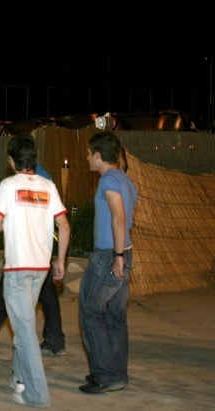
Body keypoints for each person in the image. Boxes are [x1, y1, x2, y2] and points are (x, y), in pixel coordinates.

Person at [0, 135, 69, 408]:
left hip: (18, 267)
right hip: (40, 268)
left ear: (11, 160)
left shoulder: (8, 186)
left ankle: (38, 395)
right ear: (33, 159)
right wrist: (60, 261)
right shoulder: (48, 186)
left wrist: (12, 217)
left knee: (24, 333)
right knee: (24, 325)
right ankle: (19, 378)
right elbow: (65, 226)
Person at [0, 162, 66, 356]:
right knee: (47, 294)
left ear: (13, 159)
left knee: (8, 291)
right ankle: (55, 339)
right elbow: (59, 221)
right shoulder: (45, 180)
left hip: (23, 251)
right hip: (40, 250)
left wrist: (11, 224)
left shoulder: (15, 183)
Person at [79, 131, 138, 394]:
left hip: (109, 257)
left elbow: (119, 217)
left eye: (89, 153)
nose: (87, 157)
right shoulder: (126, 180)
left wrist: (116, 257)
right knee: (115, 317)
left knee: (91, 312)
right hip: (124, 253)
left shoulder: (109, 181)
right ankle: (116, 373)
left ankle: (104, 375)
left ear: (99, 156)